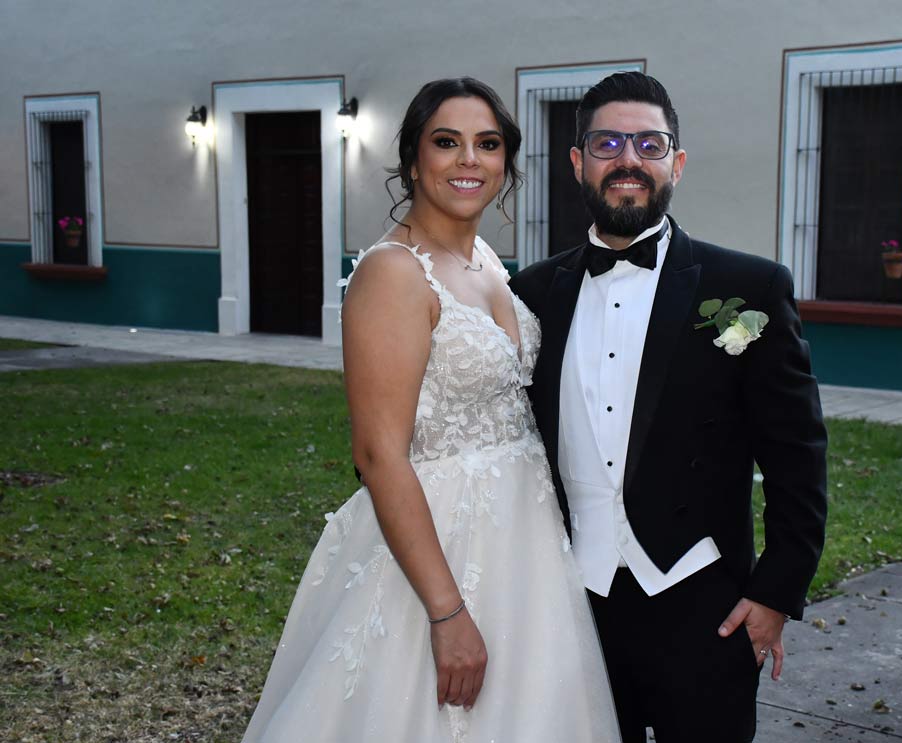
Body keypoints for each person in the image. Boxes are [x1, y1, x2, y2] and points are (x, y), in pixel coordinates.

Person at [241, 78, 620, 742]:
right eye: (447, 142)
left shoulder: (485, 262)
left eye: (488, 144)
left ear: (506, 163)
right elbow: (378, 454)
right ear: (414, 161)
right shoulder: (392, 272)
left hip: (524, 545)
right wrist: (446, 612)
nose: (469, 159)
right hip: (441, 549)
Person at [510, 71, 828, 743]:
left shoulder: (748, 287)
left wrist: (775, 594)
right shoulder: (531, 294)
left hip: (706, 602)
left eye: (649, 145)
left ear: (676, 164)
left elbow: (797, 455)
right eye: (607, 143)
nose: (628, 159)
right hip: (574, 604)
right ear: (577, 162)